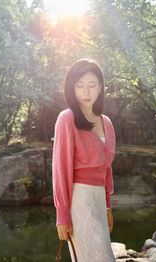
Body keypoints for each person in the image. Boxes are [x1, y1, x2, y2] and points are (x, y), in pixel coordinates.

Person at [52, 58, 116, 262]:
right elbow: (60, 169)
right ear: (72, 88)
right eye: (79, 86)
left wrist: (107, 206)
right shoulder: (67, 119)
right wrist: (62, 214)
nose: (86, 92)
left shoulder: (106, 123)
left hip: (98, 200)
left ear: (100, 88)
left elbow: (106, 170)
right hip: (78, 200)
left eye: (91, 85)